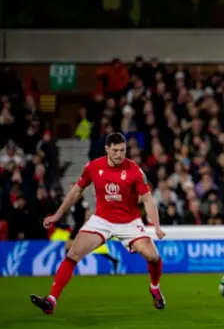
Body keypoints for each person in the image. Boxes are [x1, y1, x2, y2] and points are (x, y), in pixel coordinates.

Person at [30, 132, 167, 315]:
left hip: (129, 222)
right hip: (101, 220)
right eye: (116, 150)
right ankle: (51, 300)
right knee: (73, 254)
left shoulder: (135, 171)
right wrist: (58, 214)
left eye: (123, 150)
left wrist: (156, 226)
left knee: (153, 257)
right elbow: (76, 192)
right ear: (107, 149)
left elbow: (148, 200)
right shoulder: (93, 167)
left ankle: (154, 287)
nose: (120, 154)